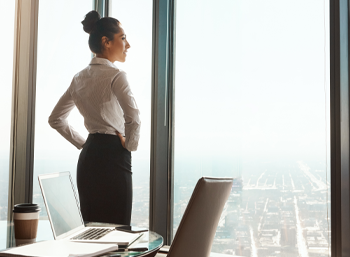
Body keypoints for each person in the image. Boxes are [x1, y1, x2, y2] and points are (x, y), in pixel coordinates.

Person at [48, 10, 140, 225]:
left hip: (89, 157)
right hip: (115, 155)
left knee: (92, 228)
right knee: (118, 228)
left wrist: (84, 144)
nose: (128, 45)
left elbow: (55, 119)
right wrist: (130, 146)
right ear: (106, 42)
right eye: (123, 38)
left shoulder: (79, 77)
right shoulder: (117, 75)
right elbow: (133, 117)